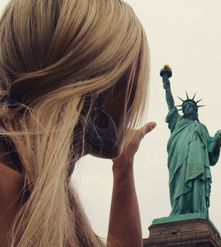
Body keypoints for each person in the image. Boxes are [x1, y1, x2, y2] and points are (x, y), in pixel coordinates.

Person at [0, 0, 156, 246]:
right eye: (131, 71)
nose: (134, 94)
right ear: (99, 77)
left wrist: (124, 166)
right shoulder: (10, 187)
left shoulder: (42, 191)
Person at [161, 67, 221, 218]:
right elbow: (170, 104)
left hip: (197, 161)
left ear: (196, 111)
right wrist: (167, 85)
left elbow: (210, 151)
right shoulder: (177, 121)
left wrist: (217, 140)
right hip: (179, 159)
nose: (188, 108)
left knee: (197, 181)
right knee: (180, 183)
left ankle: (197, 210)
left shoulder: (201, 127)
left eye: (191, 106)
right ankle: (179, 210)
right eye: (185, 106)